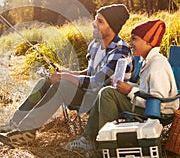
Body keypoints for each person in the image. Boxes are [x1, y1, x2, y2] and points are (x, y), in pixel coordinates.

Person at [0, 4, 133, 146]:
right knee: (45, 82)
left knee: (61, 86)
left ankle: (25, 132)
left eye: (100, 21)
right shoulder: (95, 45)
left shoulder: (120, 51)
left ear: (112, 28)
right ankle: (15, 123)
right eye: (96, 19)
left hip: (103, 101)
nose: (94, 23)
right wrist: (65, 72)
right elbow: (89, 74)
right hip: (88, 94)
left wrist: (63, 78)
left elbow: (96, 82)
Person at [64, 19, 179, 151]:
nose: (131, 44)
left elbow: (157, 101)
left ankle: (104, 145)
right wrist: (128, 86)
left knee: (108, 94)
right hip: (148, 105)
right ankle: (89, 138)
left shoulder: (157, 65)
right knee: (106, 91)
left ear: (148, 42)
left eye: (134, 39)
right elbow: (146, 91)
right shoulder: (148, 61)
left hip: (158, 112)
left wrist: (130, 91)